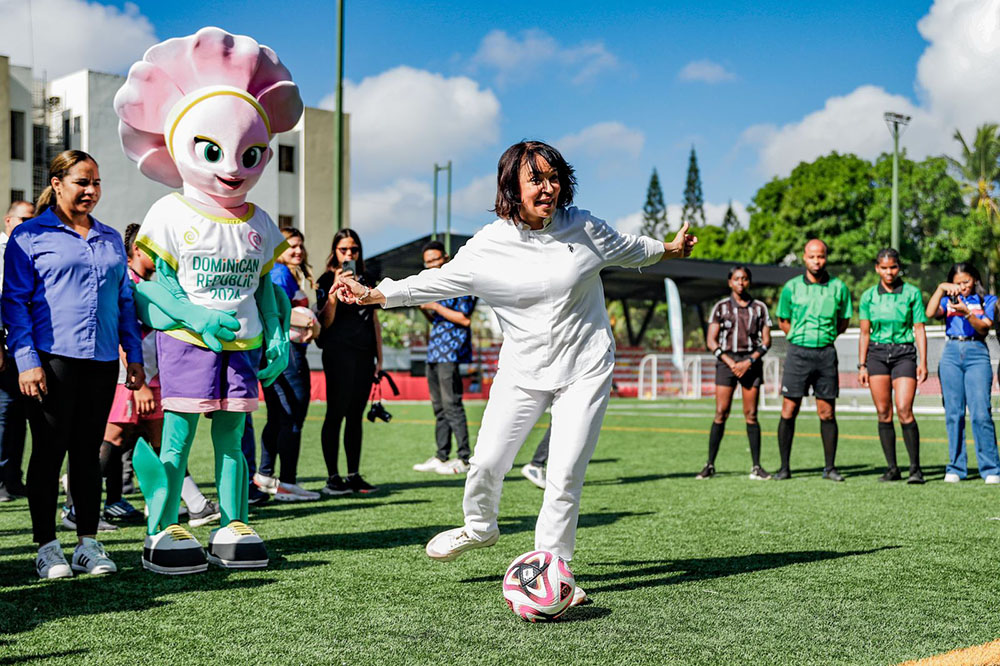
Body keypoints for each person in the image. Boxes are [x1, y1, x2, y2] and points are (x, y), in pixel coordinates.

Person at [336, 140, 696, 607]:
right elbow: (432, 282)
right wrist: (374, 295)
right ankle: (479, 528)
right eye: (536, 180)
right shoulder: (488, 246)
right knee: (486, 462)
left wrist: (671, 248)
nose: (549, 188)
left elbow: (634, 248)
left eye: (554, 178)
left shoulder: (584, 227)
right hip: (522, 372)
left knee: (564, 475)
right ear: (512, 188)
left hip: (585, 369)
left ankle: (552, 569)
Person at [3, 150, 145, 578]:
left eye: (96, 183)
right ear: (58, 183)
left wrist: (132, 354)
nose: (91, 190)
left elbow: (123, 302)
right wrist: (27, 361)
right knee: (48, 452)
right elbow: (14, 304)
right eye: (83, 181)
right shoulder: (29, 236)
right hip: (50, 361)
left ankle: (88, 543)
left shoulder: (107, 239)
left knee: (87, 454)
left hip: (101, 362)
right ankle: (47, 546)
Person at [773, 239, 851, 481]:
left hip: (826, 353)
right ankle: (784, 467)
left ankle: (830, 468)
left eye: (821, 256)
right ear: (804, 258)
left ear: (826, 257)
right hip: (797, 353)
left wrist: (824, 337)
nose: (817, 261)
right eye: (812, 257)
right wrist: (799, 337)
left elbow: (844, 320)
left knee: (826, 412)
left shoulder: (839, 287)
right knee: (789, 409)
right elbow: (783, 320)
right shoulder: (791, 287)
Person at [254, 227, 321, 501]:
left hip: (282, 351)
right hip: (287, 351)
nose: (297, 250)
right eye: (291, 245)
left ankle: (266, 475)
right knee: (292, 416)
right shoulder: (280, 274)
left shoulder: (288, 274)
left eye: (300, 245)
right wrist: (310, 323)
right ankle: (287, 483)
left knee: (279, 416)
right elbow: (276, 312)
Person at [317, 229, 383, 496]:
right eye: (343, 249)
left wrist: (380, 357)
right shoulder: (324, 280)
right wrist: (333, 291)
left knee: (355, 416)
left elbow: (375, 320)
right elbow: (324, 322)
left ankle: (353, 475)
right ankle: (333, 478)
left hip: (364, 356)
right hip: (337, 354)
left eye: (353, 249)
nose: (349, 254)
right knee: (336, 414)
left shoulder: (367, 279)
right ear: (335, 251)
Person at [857, 248, 928, 484]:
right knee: (884, 412)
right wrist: (862, 365)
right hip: (876, 354)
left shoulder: (912, 293)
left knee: (904, 408)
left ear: (899, 267)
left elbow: (919, 328)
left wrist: (923, 362)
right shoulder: (868, 296)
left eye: (893, 267)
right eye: (884, 268)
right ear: (877, 268)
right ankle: (892, 468)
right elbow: (864, 333)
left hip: (904, 353)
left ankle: (915, 469)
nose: (889, 272)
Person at [926, 262, 1000, 483]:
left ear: (975, 280)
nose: (962, 287)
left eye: (966, 282)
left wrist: (967, 313)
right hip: (951, 353)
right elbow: (930, 312)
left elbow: (984, 327)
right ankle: (956, 467)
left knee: (981, 413)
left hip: (977, 351)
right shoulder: (946, 300)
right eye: (957, 283)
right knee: (953, 413)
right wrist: (941, 288)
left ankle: (991, 468)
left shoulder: (987, 300)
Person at [697, 265, 772, 480]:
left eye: (745, 279)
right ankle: (710, 464)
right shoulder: (720, 307)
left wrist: (748, 362)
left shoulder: (759, 308)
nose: (741, 282)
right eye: (737, 279)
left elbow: (766, 341)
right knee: (721, 412)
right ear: (730, 282)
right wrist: (730, 362)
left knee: (751, 414)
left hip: (751, 363)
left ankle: (757, 466)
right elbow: (711, 341)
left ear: (749, 282)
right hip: (726, 362)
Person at [412, 240, 477, 475]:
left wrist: (436, 307)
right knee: (439, 407)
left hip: (451, 352)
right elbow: (439, 322)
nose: (432, 265)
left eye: (435, 260)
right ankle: (441, 455)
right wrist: (426, 310)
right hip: (435, 351)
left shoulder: (460, 283)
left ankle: (464, 457)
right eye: (428, 262)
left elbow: (464, 319)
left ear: (446, 258)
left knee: (452, 405)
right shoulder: (434, 284)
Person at [0, 200, 33, 502]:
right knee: (5, 413)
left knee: (20, 416)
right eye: (23, 219)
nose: (27, 224)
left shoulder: (29, 250)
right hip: (5, 348)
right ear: (9, 221)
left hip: (24, 349)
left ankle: (13, 479)